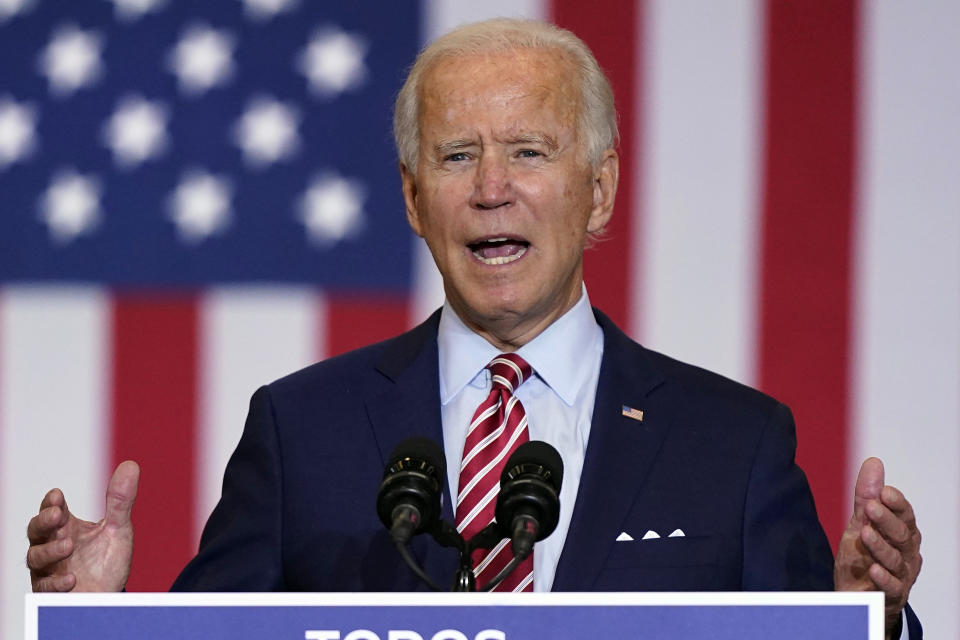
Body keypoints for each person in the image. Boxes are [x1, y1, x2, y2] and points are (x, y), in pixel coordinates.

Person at [26, 17, 922, 638]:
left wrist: (861, 622)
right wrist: (95, 622)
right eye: (458, 157)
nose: (492, 187)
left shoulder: (732, 443)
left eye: (529, 151)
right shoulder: (304, 431)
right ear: (417, 199)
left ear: (599, 188)